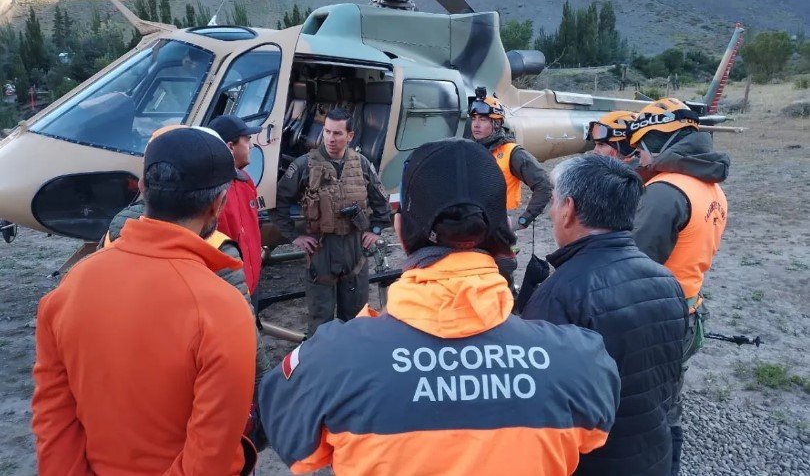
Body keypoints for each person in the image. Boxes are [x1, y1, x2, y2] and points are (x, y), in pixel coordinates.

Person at [259, 138, 620, 476]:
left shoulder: (330, 358)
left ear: (401, 230)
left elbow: (294, 444)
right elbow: (594, 435)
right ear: (502, 234)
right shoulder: (580, 360)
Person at [32, 128, 258, 475]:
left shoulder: (69, 288)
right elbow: (210, 456)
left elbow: (54, 423)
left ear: (142, 187)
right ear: (218, 203)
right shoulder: (224, 309)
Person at [522, 155, 687, 475]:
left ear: (568, 209)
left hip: (594, 464)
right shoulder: (666, 281)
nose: (552, 212)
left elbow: (542, 408)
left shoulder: (560, 295)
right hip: (653, 455)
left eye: (554, 202)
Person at [626, 97, 730, 476]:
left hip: (656, 319)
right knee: (669, 401)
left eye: (640, 146)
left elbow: (634, 265)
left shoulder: (665, 191)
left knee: (643, 406)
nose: (637, 156)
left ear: (660, 139)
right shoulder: (711, 187)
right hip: (687, 308)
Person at [271, 108, 391, 334]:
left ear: (350, 136)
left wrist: (375, 230)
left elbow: (382, 201)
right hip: (321, 249)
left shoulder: (362, 164)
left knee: (356, 319)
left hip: (355, 248)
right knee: (321, 321)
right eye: (326, 131)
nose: (330, 138)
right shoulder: (304, 165)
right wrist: (294, 236)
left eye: (337, 133)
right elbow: (278, 203)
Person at [467, 87, 552, 295]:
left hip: (501, 233)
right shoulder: (471, 150)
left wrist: (523, 220)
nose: (476, 124)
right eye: (474, 118)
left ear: (497, 123)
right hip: (473, 229)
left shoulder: (512, 153)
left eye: (483, 119)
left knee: (500, 280)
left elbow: (544, 185)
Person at [207, 115, 263, 298]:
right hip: (226, 288)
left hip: (249, 284)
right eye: (247, 140)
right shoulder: (210, 190)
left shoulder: (246, 181)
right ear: (231, 146)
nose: (251, 146)